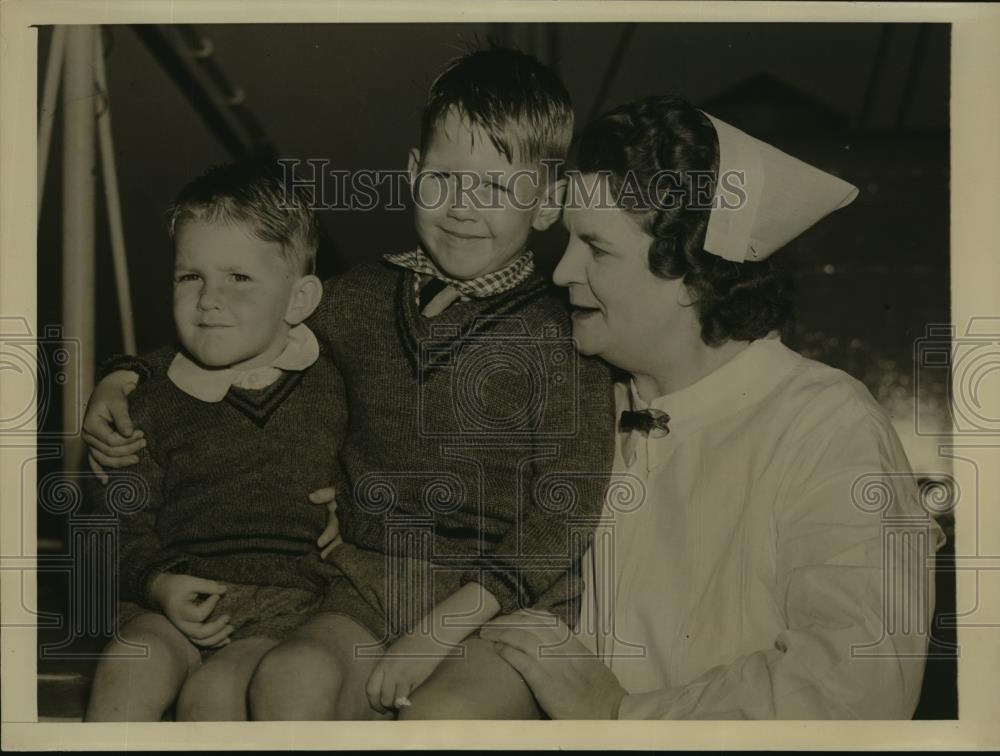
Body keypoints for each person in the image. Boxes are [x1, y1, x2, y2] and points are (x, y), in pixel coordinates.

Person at [82, 46, 616, 720]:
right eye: (445, 178)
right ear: (413, 172)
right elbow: (243, 326)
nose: (462, 208)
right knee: (288, 675)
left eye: (499, 188)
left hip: (505, 607)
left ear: (546, 205)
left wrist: (436, 632)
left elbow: (564, 514)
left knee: (438, 720)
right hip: (370, 583)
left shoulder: (565, 335)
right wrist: (121, 377)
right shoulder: (359, 299)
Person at [481, 95, 945, 719]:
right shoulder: (581, 398)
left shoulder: (828, 426)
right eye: (569, 240)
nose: (563, 270)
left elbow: (856, 690)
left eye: (597, 247)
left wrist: (622, 717)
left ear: (695, 276)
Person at [84, 161, 347, 721]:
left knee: (217, 695)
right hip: (169, 598)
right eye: (190, 276)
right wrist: (157, 585)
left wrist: (357, 499)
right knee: (132, 660)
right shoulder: (148, 401)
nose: (208, 298)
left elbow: (385, 456)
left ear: (298, 300)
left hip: (285, 608)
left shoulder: (338, 381)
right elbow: (113, 525)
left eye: (239, 278)